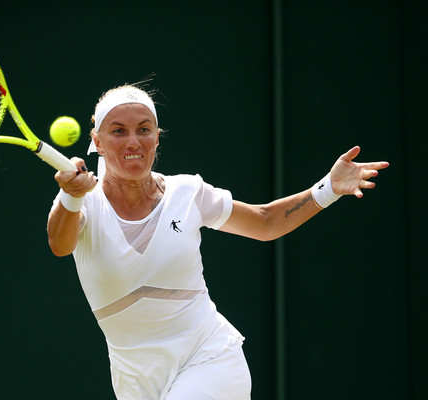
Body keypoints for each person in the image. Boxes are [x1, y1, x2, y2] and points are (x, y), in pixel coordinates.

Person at [46, 84, 389, 400]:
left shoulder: (189, 193)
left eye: (144, 129)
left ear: (157, 139)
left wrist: (328, 188)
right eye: (118, 131)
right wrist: (71, 197)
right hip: (134, 379)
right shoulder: (81, 202)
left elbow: (266, 221)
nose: (133, 141)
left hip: (208, 357)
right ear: (98, 141)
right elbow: (60, 244)